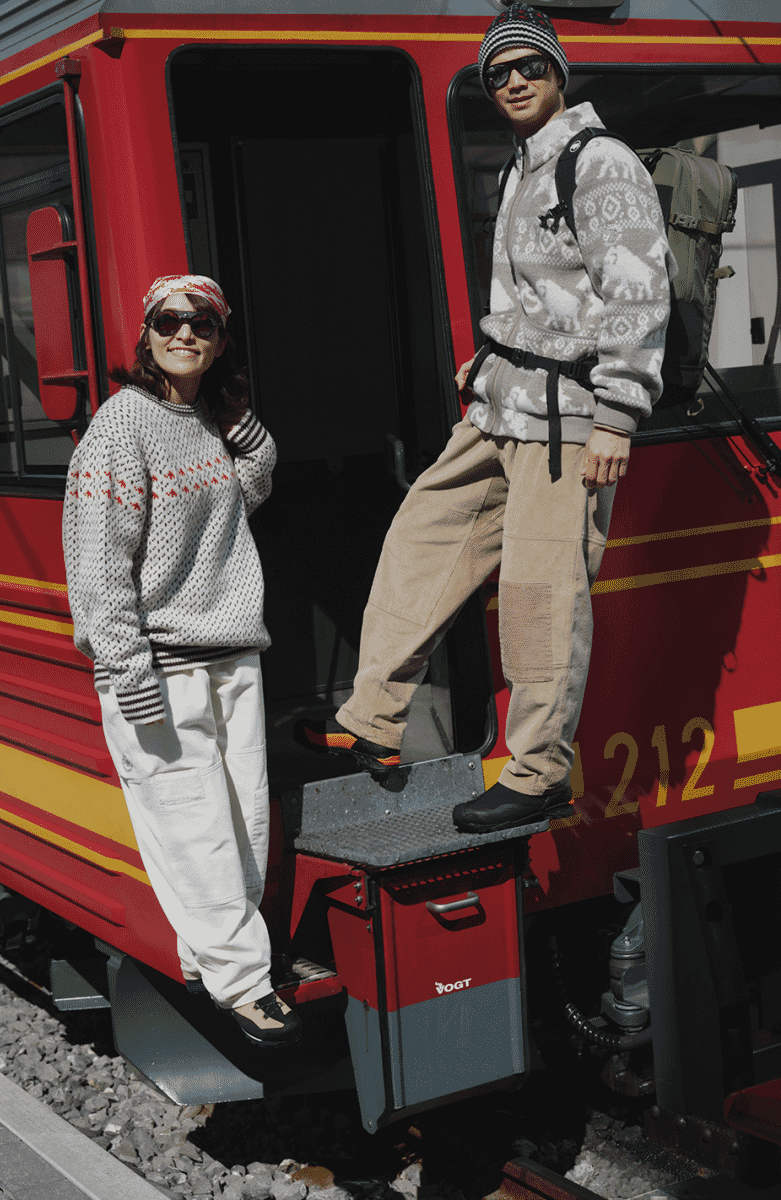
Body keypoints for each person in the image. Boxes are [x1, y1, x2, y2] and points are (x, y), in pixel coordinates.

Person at [298, 3, 674, 834]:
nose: (510, 81)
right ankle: (372, 718)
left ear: (556, 74)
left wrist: (615, 414)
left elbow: (638, 293)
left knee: (542, 595)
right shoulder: (519, 165)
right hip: (499, 406)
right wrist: (490, 357)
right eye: (495, 72)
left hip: (566, 418)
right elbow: (538, 298)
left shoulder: (598, 162)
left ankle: (537, 771)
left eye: (526, 67)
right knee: (418, 540)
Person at [62, 274, 298, 1047]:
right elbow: (98, 567)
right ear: (147, 335)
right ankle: (244, 985)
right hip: (159, 666)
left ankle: (213, 955)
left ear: (221, 338)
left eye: (202, 323)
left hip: (231, 655)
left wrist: (239, 422)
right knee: (194, 830)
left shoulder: (204, 421)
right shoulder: (119, 427)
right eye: (169, 321)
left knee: (243, 826)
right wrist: (126, 672)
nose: (185, 333)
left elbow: (248, 494)